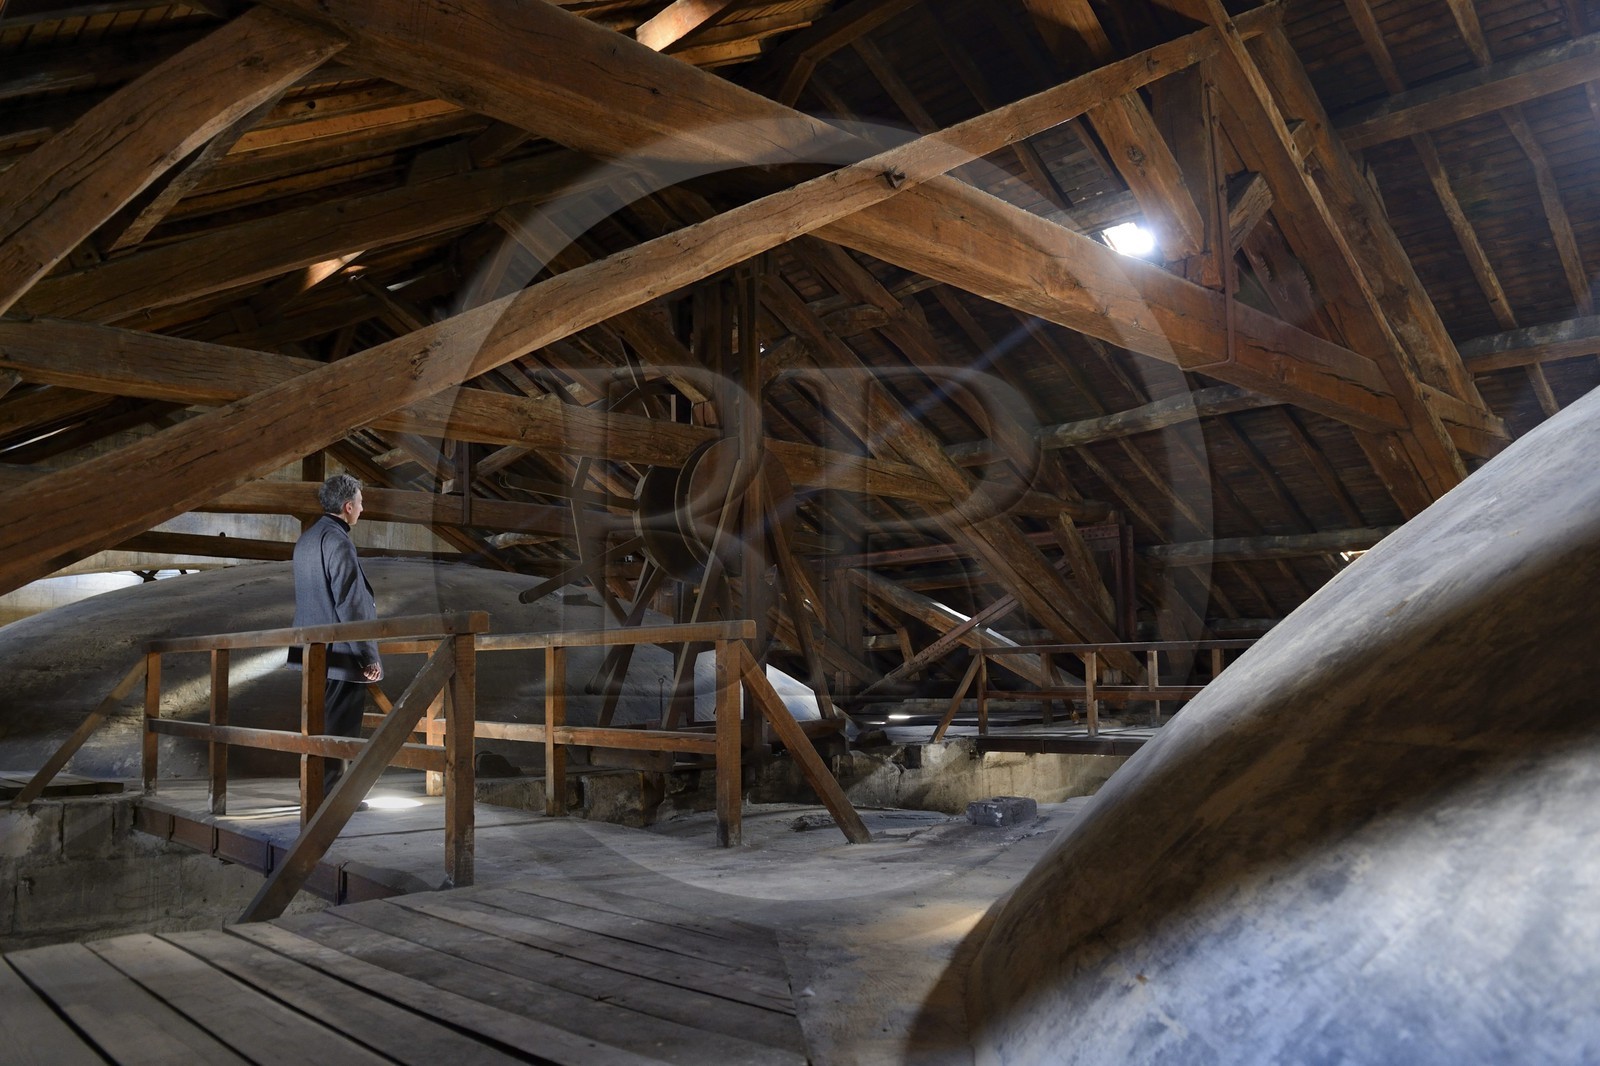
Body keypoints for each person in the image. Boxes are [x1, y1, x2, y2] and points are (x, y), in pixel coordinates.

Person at [289, 473, 383, 797]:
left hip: (311, 650)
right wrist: (367, 655)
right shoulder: (338, 541)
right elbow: (350, 602)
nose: (362, 508)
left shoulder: (307, 539)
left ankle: (310, 785)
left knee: (315, 725)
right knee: (339, 728)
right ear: (347, 506)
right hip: (341, 654)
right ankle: (330, 799)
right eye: (360, 502)